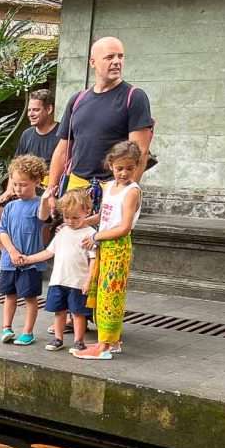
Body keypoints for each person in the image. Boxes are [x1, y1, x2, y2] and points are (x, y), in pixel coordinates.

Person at [46, 37, 153, 217]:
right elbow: (63, 150)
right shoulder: (77, 100)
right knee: (73, 242)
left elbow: (140, 152)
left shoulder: (134, 97)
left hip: (112, 187)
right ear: (93, 62)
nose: (117, 62)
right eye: (110, 57)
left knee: (105, 244)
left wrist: (125, 194)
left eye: (121, 56)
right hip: (76, 187)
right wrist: (51, 190)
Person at [73, 141, 142, 361]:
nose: (124, 173)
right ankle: (111, 341)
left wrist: (95, 236)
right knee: (100, 293)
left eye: (130, 168)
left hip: (118, 248)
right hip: (104, 245)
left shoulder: (132, 191)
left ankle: (104, 345)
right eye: (120, 167)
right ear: (110, 164)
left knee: (110, 295)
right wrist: (80, 222)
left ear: (136, 167)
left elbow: (124, 227)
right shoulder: (110, 187)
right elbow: (104, 216)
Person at [0, 89, 61, 264]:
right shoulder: (27, 135)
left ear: (49, 109)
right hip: (23, 188)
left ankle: (35, 260)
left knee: (39, 218)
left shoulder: (61, 135)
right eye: (29, 110)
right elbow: (16, 166)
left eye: (36, 110)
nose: (31, 114)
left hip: (48, 190)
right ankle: (8, 258)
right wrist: (9, 190)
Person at [17, 190, 95, 352]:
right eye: (67, 217)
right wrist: (29, 259)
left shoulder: (90, 234)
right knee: (59, 312)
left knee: (78, 313)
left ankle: (79, 341)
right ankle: (58, 338)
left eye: (75, 217)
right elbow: (49, 252)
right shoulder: (62, 232)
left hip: (78, 282)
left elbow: (94, 259)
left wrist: (89, 280)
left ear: (87, 212)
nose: (71, 221)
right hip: (58, 280)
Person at [0, 154, 50, 345]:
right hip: (10, 262)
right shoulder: (9, 206)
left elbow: (43, 217)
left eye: (23, 184)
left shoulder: (39, 204)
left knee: (29, 297)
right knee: (9, 295)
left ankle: (28, 332)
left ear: (36, 181)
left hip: (31, 263)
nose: (18, 189)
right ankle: (6, 327)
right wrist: (11, 252)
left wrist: (46, 199)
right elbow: (2, 231)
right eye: (15, 184)